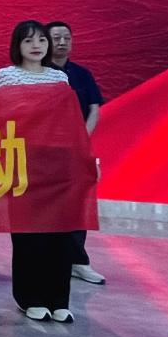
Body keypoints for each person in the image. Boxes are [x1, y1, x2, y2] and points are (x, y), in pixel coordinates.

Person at [0, 20, 77, 323]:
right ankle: (29, 297)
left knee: (60, 232)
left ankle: (59, 299)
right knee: (29, 233)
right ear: (17, 45)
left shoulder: (59, 77)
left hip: (57, 162)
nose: (36, 46)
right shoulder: (6, 76)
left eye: (41, 40)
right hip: (23, 159)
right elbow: (3, 117)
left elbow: (67, 120)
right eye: (28, 40)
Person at [47, 21, 107, 285]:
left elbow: (94, 108)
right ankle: (50, 260)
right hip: (45, 151)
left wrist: (81, 139)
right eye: (56, 38)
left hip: (77, 150)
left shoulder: (82, 74)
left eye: (66, 38)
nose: (62, 42)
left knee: (77, 206)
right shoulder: (38, 73)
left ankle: (78, 261)